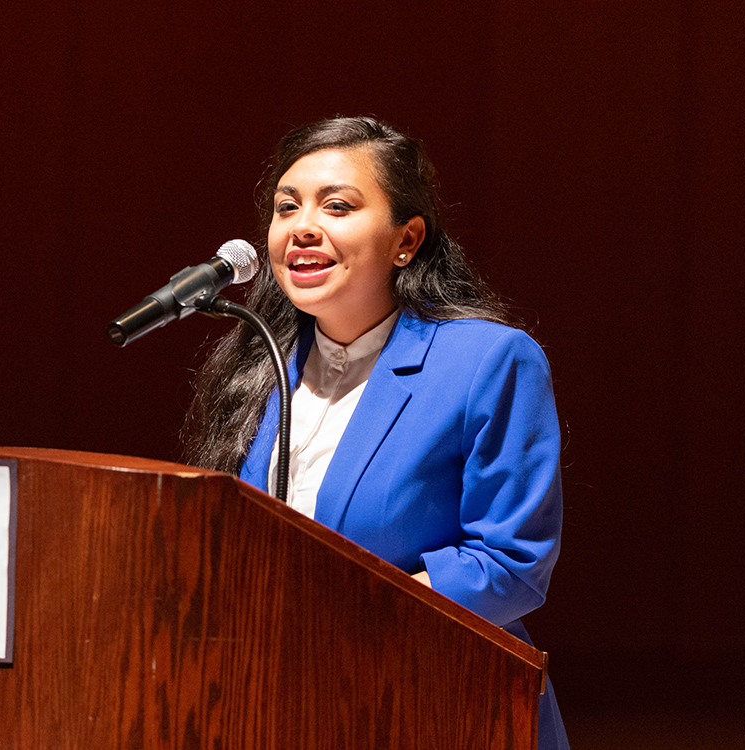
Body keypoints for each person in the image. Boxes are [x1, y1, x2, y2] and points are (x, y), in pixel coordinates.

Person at [182, 116, 568, 750]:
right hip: (275, 707)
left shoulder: (486, 361)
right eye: (287, 208)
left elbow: (510, 563)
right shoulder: (258, 365)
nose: (302, 226)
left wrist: (350, 621)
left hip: (437, 706)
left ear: (406, 239)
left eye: (337, 206)